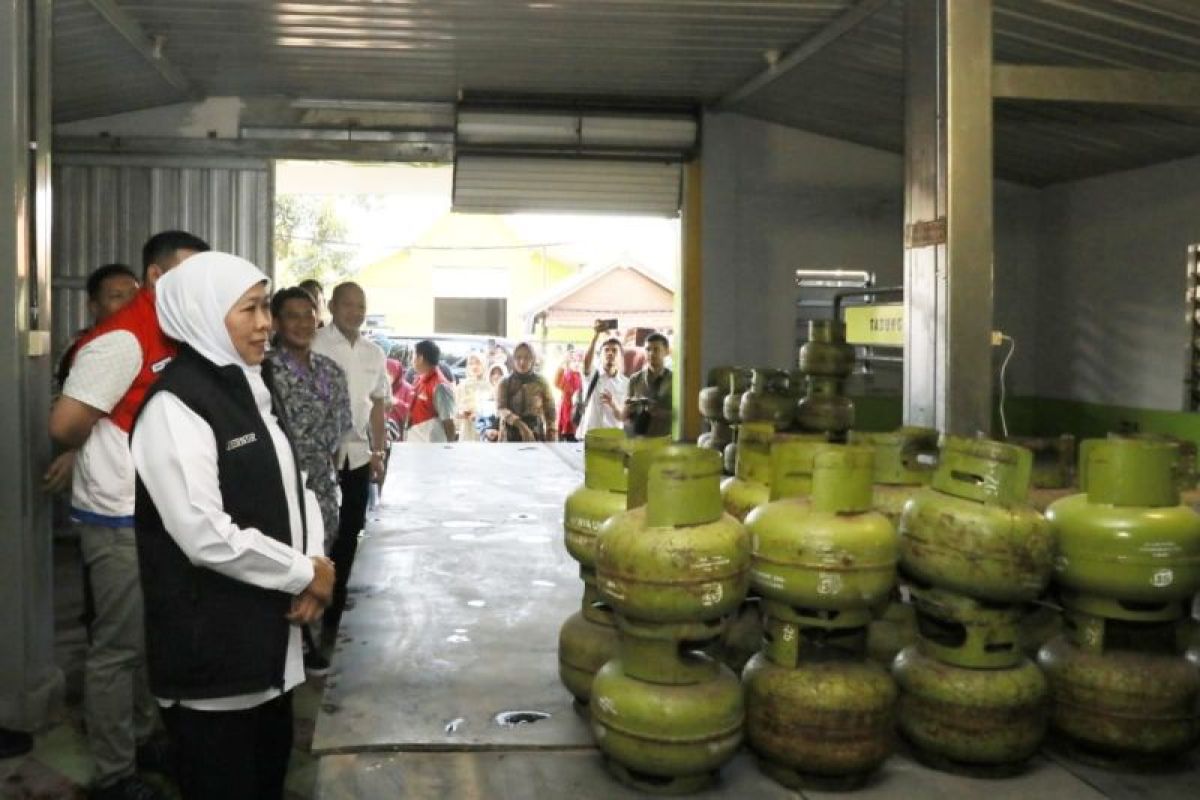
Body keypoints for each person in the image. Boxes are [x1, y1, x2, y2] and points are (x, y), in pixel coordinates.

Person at [130, 252, 334, 800]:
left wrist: (316, 562)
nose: (265, 323)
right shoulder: (175, 407)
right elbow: (203, 533)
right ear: (202, 314)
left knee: (267, 780)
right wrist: (301, 571)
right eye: (249, 309)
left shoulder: (251, 386)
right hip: (213, 666)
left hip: (267, 652)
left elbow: (301, 487)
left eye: (265, 306)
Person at [48, 229, 210, 800]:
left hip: (156, 514)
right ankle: (114, 773)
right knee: (116, 650)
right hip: (117, 513)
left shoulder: (176, 331)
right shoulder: (121, 341)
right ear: (158, 278)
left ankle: (143, 739)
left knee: (146, 639)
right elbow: (65, 425)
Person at [266, 287, 353, 674]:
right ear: (276, 322)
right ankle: (283, 644)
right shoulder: (264, 371)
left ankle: (311, 642)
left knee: (319, 557)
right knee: (285, 558)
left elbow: (339, 427)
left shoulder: (331, 371)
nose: (302, 323)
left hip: (321, 484)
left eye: (307, 314)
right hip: (277, 482)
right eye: (291, 315)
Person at [311, 281, 389, 636]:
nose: (355, 312)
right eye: (348, 305)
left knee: (351, 531)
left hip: (357, 456)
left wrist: (378, 451)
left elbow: (377, 404)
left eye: (361, 306)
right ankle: (315, 606)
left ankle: (336, 609)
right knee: (319, 532)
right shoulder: (315, 344)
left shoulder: (374, 353)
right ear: (331, 306)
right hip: (319, 458)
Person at [45, 263, 141, 494]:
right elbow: (70, 416)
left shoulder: (148, 341)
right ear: (94, 306)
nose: (130, 304)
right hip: (100, 472)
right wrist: (75, 454)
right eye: (116, 296)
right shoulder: (85, 349)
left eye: (135, 296)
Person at [578, 319, 629, 438]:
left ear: (620, 357)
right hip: (591, 435)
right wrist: (596, 335)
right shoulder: (592, 376)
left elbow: (623, 416)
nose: (610, 353)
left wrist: (613, 404)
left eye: (614, 351)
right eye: (606, 350)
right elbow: (586, 363)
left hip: (613, 438)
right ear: (600, 355)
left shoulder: (627, 383)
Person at [496, 342, 557, 442]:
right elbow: (501, 409)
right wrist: (521, 426)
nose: (522, 362)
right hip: (509, 435)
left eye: (527, 357)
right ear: (513, 359)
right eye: (518, 357)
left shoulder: (541, 382)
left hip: (535, 434)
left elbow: (550, 410)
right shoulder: (505, 382)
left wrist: (551, 433)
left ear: (533, 359)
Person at [621, 331, 673, 438]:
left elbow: (682, 415)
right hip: (638, 438)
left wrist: (659, 412)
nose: (651, 353)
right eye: (648, 349)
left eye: (656, 349)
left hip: (664, 438)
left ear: (667, 351)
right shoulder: (635, 379)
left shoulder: (674, 380)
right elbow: (625, 415)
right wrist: (629, 408)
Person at [408, 339, 457, 442]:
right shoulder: (419, 380)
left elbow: (448, 421)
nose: (411, 361)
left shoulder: (440, 386)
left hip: (431, 445)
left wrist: (450, 448)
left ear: (420, 358)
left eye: (413, 356)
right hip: (416, 441)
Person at [455, 351, 492, 442]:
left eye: (478, 363)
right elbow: (454, 409)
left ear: (484, 365)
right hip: (467, 428)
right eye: (471, 363)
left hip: (484, 429)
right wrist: (461, 413)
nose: (474, 366)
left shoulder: (489, 385)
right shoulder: (462, 385)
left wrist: (479, 415)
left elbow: (493, 410)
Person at [554, 346, 583, 442]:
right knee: (568, 436)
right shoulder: (568, 375)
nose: (577, 364)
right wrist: (562, 365)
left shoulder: (580, 376)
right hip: (567, 412)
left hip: (576, 413)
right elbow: (557, 382)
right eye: (574, 361)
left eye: (579, 361)